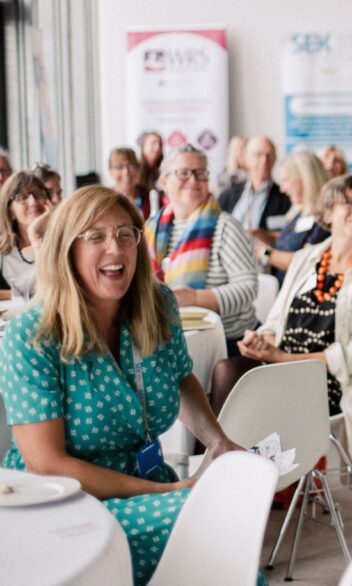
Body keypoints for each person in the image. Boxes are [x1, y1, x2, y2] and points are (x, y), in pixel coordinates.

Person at [0, 186, 247, 585]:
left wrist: (217, 441)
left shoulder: (158, 305)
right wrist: (165, 493)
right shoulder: (32, 336)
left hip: (150, 484)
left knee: (224, 525)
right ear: (67, 248)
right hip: (66, 504)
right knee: (206, 522)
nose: (115, 249)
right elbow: (47, 464)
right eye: (95, 236)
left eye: (125, 234)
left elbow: (181, 377)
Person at [210, 176, 352, 457]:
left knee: (249, 398)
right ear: (328, 213)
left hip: (329, 382)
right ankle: (216, 472)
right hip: (279, 366)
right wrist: (262, 340)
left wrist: (283, 359)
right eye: (348, 203)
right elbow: (275, 321)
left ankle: (254, 475)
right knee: (225, 372)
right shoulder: (306, 259)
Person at [144, 144, 258, 355]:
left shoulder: (225, 227)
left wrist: (195, 298)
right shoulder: (150, 227)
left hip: (227, 343)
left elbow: (248, 288)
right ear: (163, 181)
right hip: (171, 339)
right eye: (184, 173)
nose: (193, 180)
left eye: (200, 173)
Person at [251, 150, 330, 283]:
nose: (282, 188)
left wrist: (264, 253)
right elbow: (294, 241)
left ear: (306, 179)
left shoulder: (325, 220)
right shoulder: (300, 213)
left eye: (286, 180)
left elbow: (305, 262)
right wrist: (264, 235)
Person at [217, 135, 291, 232]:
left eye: (269, 155)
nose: (264, 160)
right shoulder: (227, 195)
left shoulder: (286, 198)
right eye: (258, 155)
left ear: (275, 159)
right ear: (246, 158)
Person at [0, 172, 50, 300]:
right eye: (23, 197)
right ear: (10, 210)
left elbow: (55, 292)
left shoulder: (62, 244)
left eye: (38, 195)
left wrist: (34, 232)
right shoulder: (2, 251)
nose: (33, 202)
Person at [109, 147, 159, 219]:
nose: (126, 172)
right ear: (110, 170)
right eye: (119, 167)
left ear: (138, 168)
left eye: (131, 166)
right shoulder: (105, 200)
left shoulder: (149, 196)